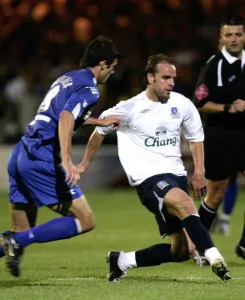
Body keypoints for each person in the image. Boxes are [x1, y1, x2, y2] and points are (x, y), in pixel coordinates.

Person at [0, 36, 121, 288]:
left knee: (19, 231)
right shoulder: (90, 88)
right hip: (43, 158)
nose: (114, 71)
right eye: (113, 66)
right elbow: (64, 117)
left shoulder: (67, 78)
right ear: (104, 63)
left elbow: (60, 114)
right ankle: (18, 242)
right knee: (86, 220)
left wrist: (98, 122)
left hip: (21, 153)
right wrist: (66, 161)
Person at [76, 53, 231, 282]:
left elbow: (196, 138)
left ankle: (122, 260)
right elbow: (99, 131)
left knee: (181, 251)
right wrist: (84, 163)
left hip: (175, 176)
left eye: (173, 78)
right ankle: (214, 256)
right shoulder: (130, 108)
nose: (171, 83)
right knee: (185, 203)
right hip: (148, 179)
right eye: (166, 77)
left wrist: (199, 172)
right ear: (150, 77)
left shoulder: (182, 104)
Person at [192, 16, 245, 265]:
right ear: (221, 38)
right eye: (229, 35)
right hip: (220, 136)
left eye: (238, 34)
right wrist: (229, 108)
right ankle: (200, 248)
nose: (233, 39)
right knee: (216, 194)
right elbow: (200, 102)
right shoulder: (214, 65)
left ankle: (244, 244)